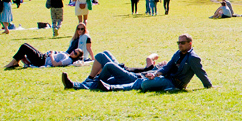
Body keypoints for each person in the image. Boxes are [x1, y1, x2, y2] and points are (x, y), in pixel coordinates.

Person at [64, 34, 213, 92]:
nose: (179, 45)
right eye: (178, 42)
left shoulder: (193, 58)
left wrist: (209, 86)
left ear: (190, 43)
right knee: (107, 62)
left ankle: (100, 86)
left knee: (139, 82)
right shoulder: (178, 53)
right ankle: (83, 84)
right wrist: (155, 73)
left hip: (165, 82)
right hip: (144, 75)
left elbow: (201, 73)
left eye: (182, 43)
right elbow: (167, 67)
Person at [5, 45, 85, 69]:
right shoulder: (68, 55)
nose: (72, 52)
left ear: (76, 57)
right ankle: (15, 63)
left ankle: (12, 63)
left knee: (24, 47)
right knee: (25, 46)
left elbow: (55, 64)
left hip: (42, 61)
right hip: (43, 56)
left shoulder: (68, 60)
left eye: (75, 53)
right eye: (74, 51)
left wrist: (52, 55)